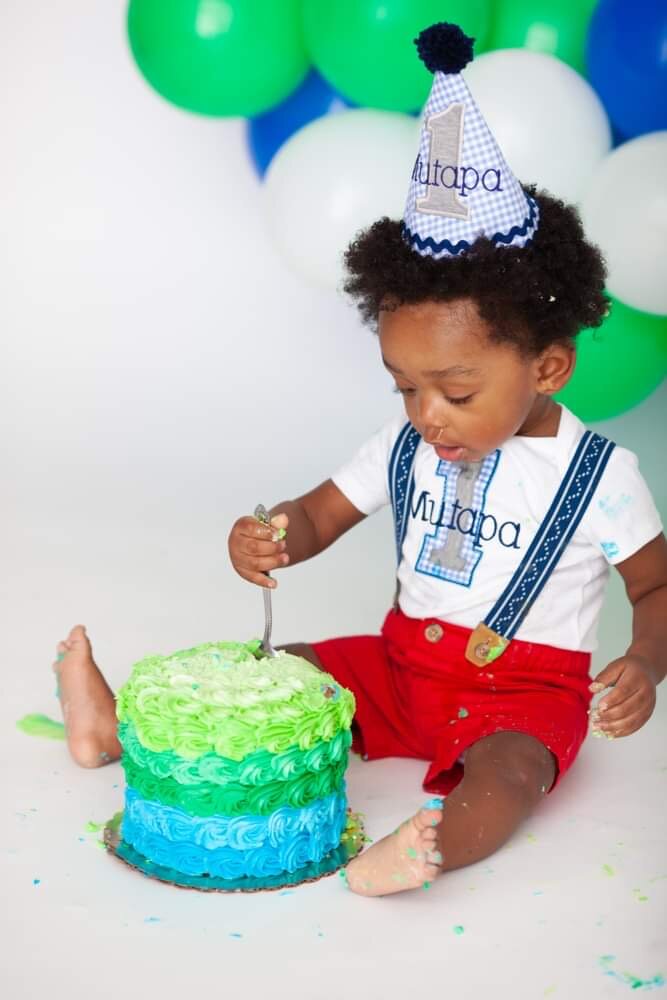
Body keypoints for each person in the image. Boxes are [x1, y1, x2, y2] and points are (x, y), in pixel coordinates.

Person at [53, 24, 667, 897]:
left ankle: (432, 846)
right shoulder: (406, 445)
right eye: (404, 387)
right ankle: (115, 732)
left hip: (521, 695)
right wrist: (270, 534)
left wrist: (643, 661)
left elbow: (655, 586)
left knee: (512, 770)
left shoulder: (598, 476)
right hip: (394, 668)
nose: (426, 415)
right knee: (270, 680)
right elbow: (317, 515)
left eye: (456, 391)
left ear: (547, 368)